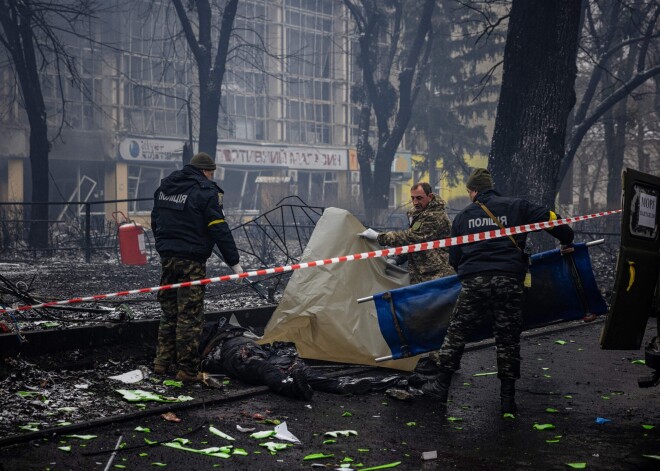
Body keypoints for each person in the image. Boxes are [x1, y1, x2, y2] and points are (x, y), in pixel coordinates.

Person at [422, 168, 574, 415]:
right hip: (509, 280)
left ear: (473, 191)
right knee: (507, 337)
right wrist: (567, 238)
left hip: (475, 282)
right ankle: (507, 399)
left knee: (457, 333)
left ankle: (440, 387)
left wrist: (472, 268)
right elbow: (551, 219)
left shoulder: (463, 217)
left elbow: (454, 259)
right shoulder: (517, 206)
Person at [151, 152, 243, 382]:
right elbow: (218, 228)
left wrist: (163, 247)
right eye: (211, 174)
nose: (211, 178)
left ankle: (161, 363)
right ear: (205, 171)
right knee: (189, 317)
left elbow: (155, 220)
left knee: (169, 312)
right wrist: (235, 263)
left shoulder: (166, 187)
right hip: (191, 260)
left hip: (168, 258)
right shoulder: (205, 191)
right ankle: (187, 370)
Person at [199, 317, 403, 399]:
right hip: (240, 349)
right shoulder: (210, 331)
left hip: (237, 349)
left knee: (283, 367)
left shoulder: (200, 332)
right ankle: (330, 386)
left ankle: (337, 386)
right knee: (262, 365)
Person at [358, 182, 454, 284]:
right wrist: (398, 258)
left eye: (419, 198)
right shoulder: (418, 214)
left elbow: (412, 238)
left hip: (437, 274)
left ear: (430, 197)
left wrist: (379, 237)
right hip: (422, 273)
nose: (415, 202)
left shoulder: (435, 216)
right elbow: (415, 244)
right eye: (413, 198)